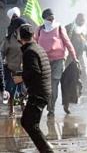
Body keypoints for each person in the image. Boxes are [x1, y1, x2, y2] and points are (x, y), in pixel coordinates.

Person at [35, 9, 78, 117]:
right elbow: (34, 44)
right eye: (49, 18)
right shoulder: (39, 29)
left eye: (53, 17)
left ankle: (51, 108)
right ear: (44, 19)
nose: (52, 19)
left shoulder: (59, 28)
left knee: (54, 85)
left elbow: (67, 42)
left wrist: (74, 57)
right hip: (43, 61)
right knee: (46, 86)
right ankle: (48, 104)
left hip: (58, 60)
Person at [20, 24, 54, 153]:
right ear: (33, 35)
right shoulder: (37, 48)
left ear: (20, 37)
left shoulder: (29, 52)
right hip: (43, 91)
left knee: (29, 123)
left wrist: (21, 77)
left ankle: (46, 150)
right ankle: (45, 147)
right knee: (29, 122)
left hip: (38, 93)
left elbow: (35, 72)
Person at [2, 7, 27, 117]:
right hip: (12, 66)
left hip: (24, 67)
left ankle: (23, 108)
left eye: (17, 17)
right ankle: (11, 109)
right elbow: (2, 51)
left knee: (24, 90)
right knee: (11, 90)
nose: (16, 20)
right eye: (14, 18)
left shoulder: (27, 35)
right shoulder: (9, 37)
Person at [66, 13, 87, 96]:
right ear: (77, 19)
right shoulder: (70, 27)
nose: (83, 22)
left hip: (79, 55)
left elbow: (85, 41)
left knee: (83, 71)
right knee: (68, 72)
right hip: (70, 55)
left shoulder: (83, 29)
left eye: (84, 20)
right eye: (81, 20)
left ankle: (85, 90)